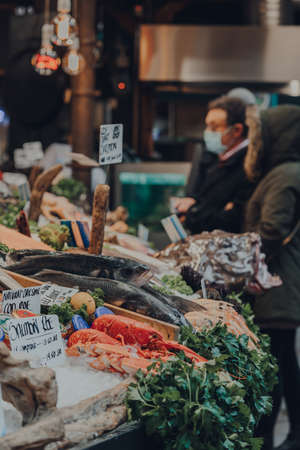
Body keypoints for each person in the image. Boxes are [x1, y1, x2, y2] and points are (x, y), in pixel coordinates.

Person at [243, 104, 300, 450]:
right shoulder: (285, 172)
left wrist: (237, 254)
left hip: (277, 284)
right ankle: (292, 435)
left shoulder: (285, 174)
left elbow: (272, 230)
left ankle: (270, 439)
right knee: (283, 359)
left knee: (277, 362)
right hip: (281, 282)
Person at [176, 95, 254, 233]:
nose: (207, 132)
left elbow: (230, 218)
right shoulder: (216, 158)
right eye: (207, 126)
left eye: (214, 127)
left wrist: (193, 214)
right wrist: (193, 203)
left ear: (237, 130)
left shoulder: (249, 166)